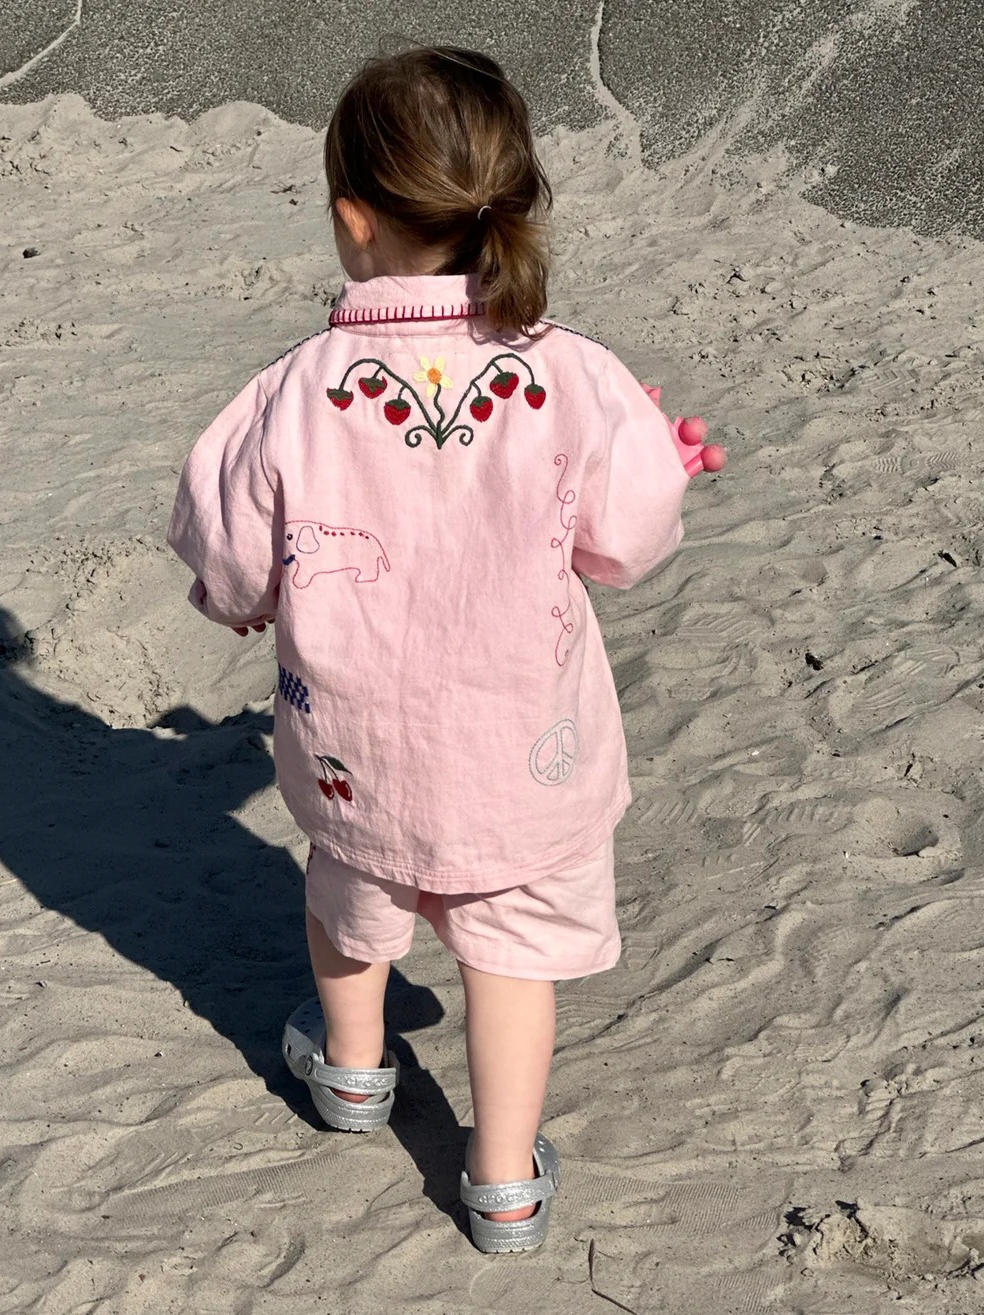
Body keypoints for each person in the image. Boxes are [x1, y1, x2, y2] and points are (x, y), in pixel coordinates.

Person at [167, 45, 722, 1254]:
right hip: (518, 750)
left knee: (348, 892)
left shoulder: (295, 389)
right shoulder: (570, 373)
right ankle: (503, 1179)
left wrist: (246, 599)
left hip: (354, 752)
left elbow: (227, 559)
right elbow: (625, 543)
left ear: (353, 220)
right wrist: (663, 467)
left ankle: (351, 1072)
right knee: (510, 955)